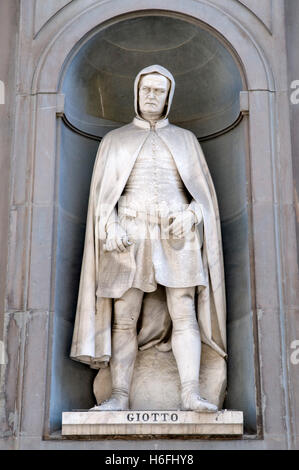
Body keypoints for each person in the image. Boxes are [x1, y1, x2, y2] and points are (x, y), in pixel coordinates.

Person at [70, 65, 226, 412]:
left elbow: (205, 201)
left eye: (159, 91)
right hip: (130, 231)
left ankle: (190, 394)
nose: (152, 96)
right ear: (136, 94)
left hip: (176, 233)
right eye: (146, 90)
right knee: (124, 315)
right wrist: (109, 227)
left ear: (168, 97)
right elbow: (102, 198)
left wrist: (191, 215)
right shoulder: (115, 140)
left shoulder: (186, 140)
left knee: (184, 310)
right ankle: (120, 396)